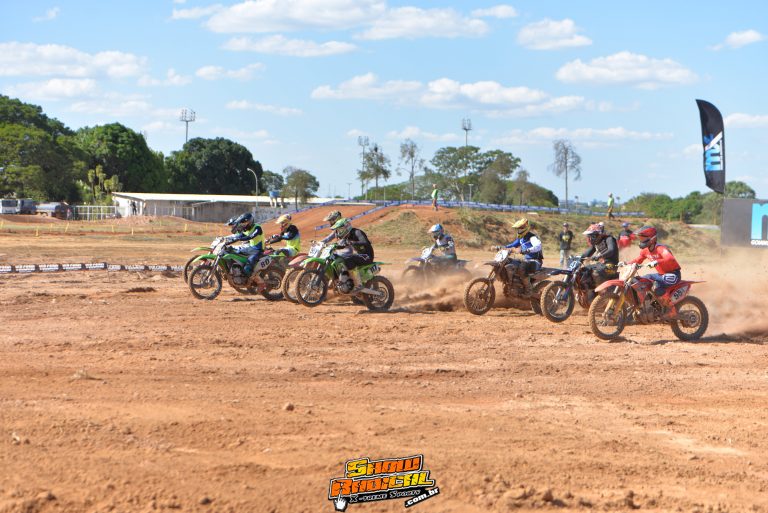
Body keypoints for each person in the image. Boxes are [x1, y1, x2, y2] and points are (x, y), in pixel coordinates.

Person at [623, 225, 682, 320]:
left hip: (673, 275)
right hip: (661, 275)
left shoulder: (661, 248)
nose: (641, 240)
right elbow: (638, 260)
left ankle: (672, 310)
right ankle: (651, 308)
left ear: (652, 238)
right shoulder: (645, 251)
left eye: (643, 238)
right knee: (643, 280)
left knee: (656, 286)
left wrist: (657, 261)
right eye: (640, 238)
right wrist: (626, 264)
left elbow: (670, 258)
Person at [330, 217, 374, 292]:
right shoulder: (347, 236)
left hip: (367, 256)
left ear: (346, 227)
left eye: (340, 229)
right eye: (338, 230)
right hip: (360, 255)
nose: (339, 232)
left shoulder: (357, 232)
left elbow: (366, 242)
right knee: (338, 259)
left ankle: (358, 284)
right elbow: (342, 245)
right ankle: (343, 282)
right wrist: (334, 247)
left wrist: (352, 242)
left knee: (349, 259)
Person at [502, 218, 543, 295]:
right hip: (526, 260)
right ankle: (512, 284)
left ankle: (529, 289)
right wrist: (501, 247)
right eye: (518, 228)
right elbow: (512, 245)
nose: (519, 230)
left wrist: (528, 250)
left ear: (525, 227)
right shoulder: (521, 238)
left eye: (521, 228)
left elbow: (538, 246)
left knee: (521, 267)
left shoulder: (532, 237)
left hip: (535, 261)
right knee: (509, 262)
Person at [225, 212, 265, 282]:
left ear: (249, 222)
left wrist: (239, 239)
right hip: (250, 248)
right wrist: (225, 240)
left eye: (245, 223)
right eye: (242, 223)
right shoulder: (246, 229)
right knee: (232, 251)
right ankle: (236, 271)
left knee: (248, 265)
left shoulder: (257, 228)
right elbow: (238, 236)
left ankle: (252, 277)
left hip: (258, 250)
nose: (243, 225)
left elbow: (250, 237)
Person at [580, 223, 619, 289]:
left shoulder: (609, 239)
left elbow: (611, 250)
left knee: (595, 273)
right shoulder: (597, 242)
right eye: (589, 236)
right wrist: (579, 259)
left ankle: (601, 292)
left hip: (611, 267)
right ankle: (587, 290)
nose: (590, 239)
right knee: (583, 271)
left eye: (591, 236)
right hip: (601, 265)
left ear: (598, 235)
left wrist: (599, 256)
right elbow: (587, 253)